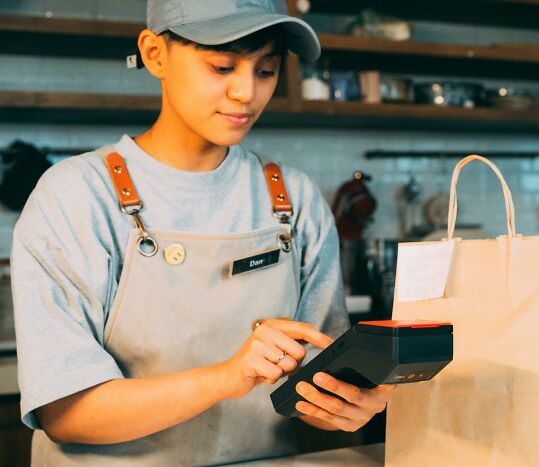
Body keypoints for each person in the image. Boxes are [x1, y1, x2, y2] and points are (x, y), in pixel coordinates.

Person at [11, 0, 395, 465]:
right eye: (222, 66)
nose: (246, 92)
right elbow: (64, 411)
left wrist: (348, 405)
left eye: (267, 70)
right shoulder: (75, 196)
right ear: (155, 55)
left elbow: (312, 389)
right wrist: (226, 377)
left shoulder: (295, 200)